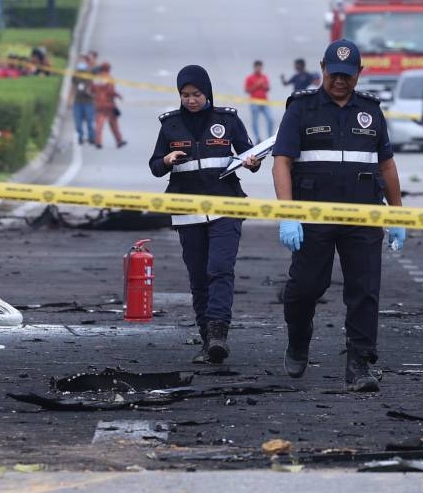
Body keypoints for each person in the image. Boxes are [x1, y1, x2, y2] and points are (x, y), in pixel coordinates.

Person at [272, 39, 405, 393]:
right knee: (305, 289)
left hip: (363, 218)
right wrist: (287, 215)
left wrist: (397, 215)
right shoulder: (302, 109)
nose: (340, 82)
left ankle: (359, 364)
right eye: (334, 74)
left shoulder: (371, 111)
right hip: (313, 216)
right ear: (323, 69)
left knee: (365, 290)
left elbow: (386, 164)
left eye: (348, 76)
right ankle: (299, 339)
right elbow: (282, 161)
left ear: (359, 74)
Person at [149, 65, 261, 365]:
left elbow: (251, 155)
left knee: (220, 269)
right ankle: (205, 340)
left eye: (196, 94)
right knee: (199, 278)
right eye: (185, 95)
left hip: (226, 207)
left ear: (207, 93)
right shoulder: (170, 125)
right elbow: (155, 166)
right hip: (187, 213)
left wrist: (252, 162)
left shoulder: (227, 120)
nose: (191, 100)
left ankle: (218, 336)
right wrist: (167, 159)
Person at [92, 63, 126, 149]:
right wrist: (118, 95)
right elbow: (111, 91)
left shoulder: (96, 78)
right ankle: (119, 141)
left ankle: (98, 142)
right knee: (114, 125)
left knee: (99, 125)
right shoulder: (109, 78)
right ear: (107, 69)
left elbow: (92, 90)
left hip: (99, 104)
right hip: (109, 104)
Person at [244, 60, 274, 143]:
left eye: (260, 67)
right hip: (254, 102)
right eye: (257, 67)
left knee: (271, 119)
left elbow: (268, 88)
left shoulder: (264, 77)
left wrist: (263, 85)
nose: (258, 69)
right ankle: (258, 138)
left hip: (264, 102)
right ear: (254, 67)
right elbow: (247, 90)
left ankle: (270, 138)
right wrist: (256, 84)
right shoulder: (250, 78)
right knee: (255, 122)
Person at [69, 59, 95, 145]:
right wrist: (69, 100)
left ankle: (92, 137)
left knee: (89, 121)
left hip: (88, 103)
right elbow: (72, 88)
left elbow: (94, 90)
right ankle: (80, 137)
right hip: (78, 102)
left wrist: (90, 93)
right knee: (78, 122)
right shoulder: (75, 77)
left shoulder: (90, 77)